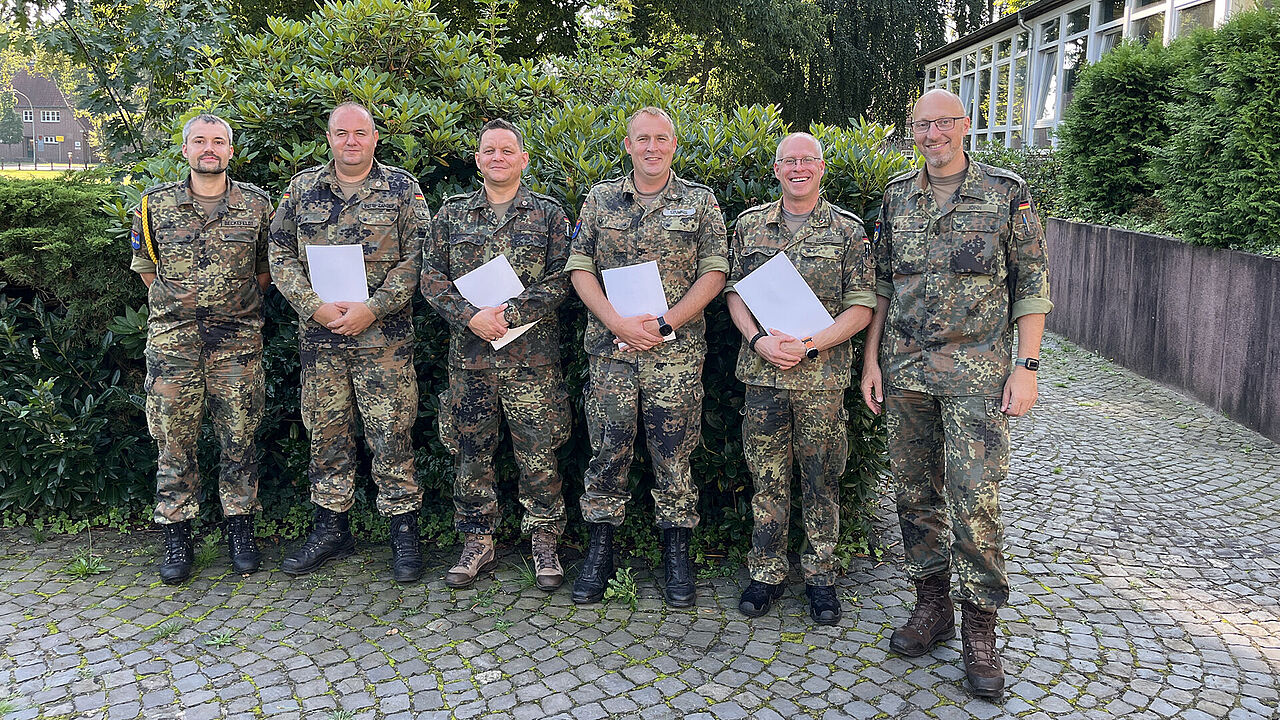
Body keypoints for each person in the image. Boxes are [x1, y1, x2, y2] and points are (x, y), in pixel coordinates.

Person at [861, 88, 1052, 697]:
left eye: (943, 123)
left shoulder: (1004, 192)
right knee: (915, 494)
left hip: (978, 373)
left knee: (975, 501)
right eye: (921, 124)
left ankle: (980, 629)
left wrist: (1027, 366)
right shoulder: (896, 197)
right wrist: (872, 362)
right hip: (907, 372)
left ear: (965, 126)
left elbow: (1032, 284)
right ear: (911, 131)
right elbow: (882, 289)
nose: (932, 134)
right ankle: (932, 603)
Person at [565, 106, 728, 607]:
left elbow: (715, 272)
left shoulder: (699, 203)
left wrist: (666, 323)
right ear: (629, 145)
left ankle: (676, 551)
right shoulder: (600, 199)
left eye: (661, 139)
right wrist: (617, 322)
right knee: (607, 450)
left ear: (674, 145)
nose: (652, 147)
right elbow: (578, 266)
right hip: (612, 352)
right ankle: (600, 550)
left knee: (675, 454)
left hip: (673, 355)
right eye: (643, 139)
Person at [269, 102, 430, 583]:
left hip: (385, 340)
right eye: (342, 133)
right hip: (321, 340)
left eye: (361, 133)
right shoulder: (302, 190)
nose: (351, 141)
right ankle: (330, 528)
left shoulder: (404, 189)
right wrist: (311, 304)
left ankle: (404, 532)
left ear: (375, 137)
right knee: (326, 434)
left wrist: (374, 308)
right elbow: (279, 253)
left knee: (392, 433)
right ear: (329, 138)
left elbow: (420, 256)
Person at [725, 132, 876, 625]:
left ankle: (821, 576)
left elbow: (863, 307)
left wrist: (810, 344)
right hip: (763, 375)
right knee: (765, 478)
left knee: (821, 479)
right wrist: (757, 341)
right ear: (775, 169)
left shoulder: (849, 231)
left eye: (807, 160)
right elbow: (734, 295)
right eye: (788, 160)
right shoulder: (749, 226)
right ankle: (766, 572)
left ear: (822, 167)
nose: (798, 168)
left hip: (822, 379)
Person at [421, 119, 573, 591]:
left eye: (508, 150)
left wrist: (509, 311)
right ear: (478, 159)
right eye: (490, 150)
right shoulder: (451, 215)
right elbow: (430, 278)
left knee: (539, 454)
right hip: (471, 360)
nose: (499, 157)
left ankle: (545, 540)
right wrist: (470, 316)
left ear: (523, 159)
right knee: (470, 453)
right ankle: (477, 540)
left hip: (533, 362)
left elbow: (565, 278)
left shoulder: (548, 215)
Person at [130, 113, 274, 585]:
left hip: (237, 344)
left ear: (231, 151)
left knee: (239, 438)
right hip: (174, 346)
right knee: (173, 441)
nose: (208, 149)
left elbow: (264, 272)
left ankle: (240, 528)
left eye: (218, 142)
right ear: (186, 150)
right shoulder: (153, 206)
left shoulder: (257, 206)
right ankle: (177, 530)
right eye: (199, 141)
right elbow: (147, 268)